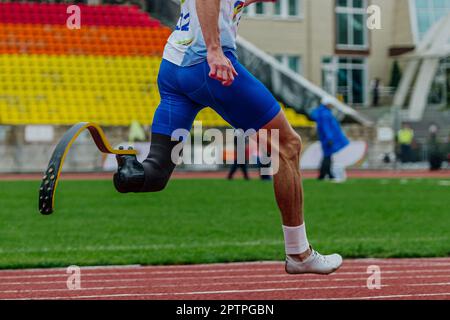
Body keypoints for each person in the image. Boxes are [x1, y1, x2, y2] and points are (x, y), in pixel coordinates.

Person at [113, 0, 342, 275]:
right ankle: (299, 253)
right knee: (287, 145)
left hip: (173, 68)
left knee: (155, 173)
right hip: (206, 65)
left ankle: (129, 171)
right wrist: (214, 49)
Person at [310, 97, 350, 181]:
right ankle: (325, 174)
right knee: (327, 156)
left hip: (325, 138)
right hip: (327, 138)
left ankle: (325, 174)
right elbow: (326, 128)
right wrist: (330, 138)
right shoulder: (325, 114)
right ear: (327, 104)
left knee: (327, 156)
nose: (332, 105)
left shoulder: (323, 112)